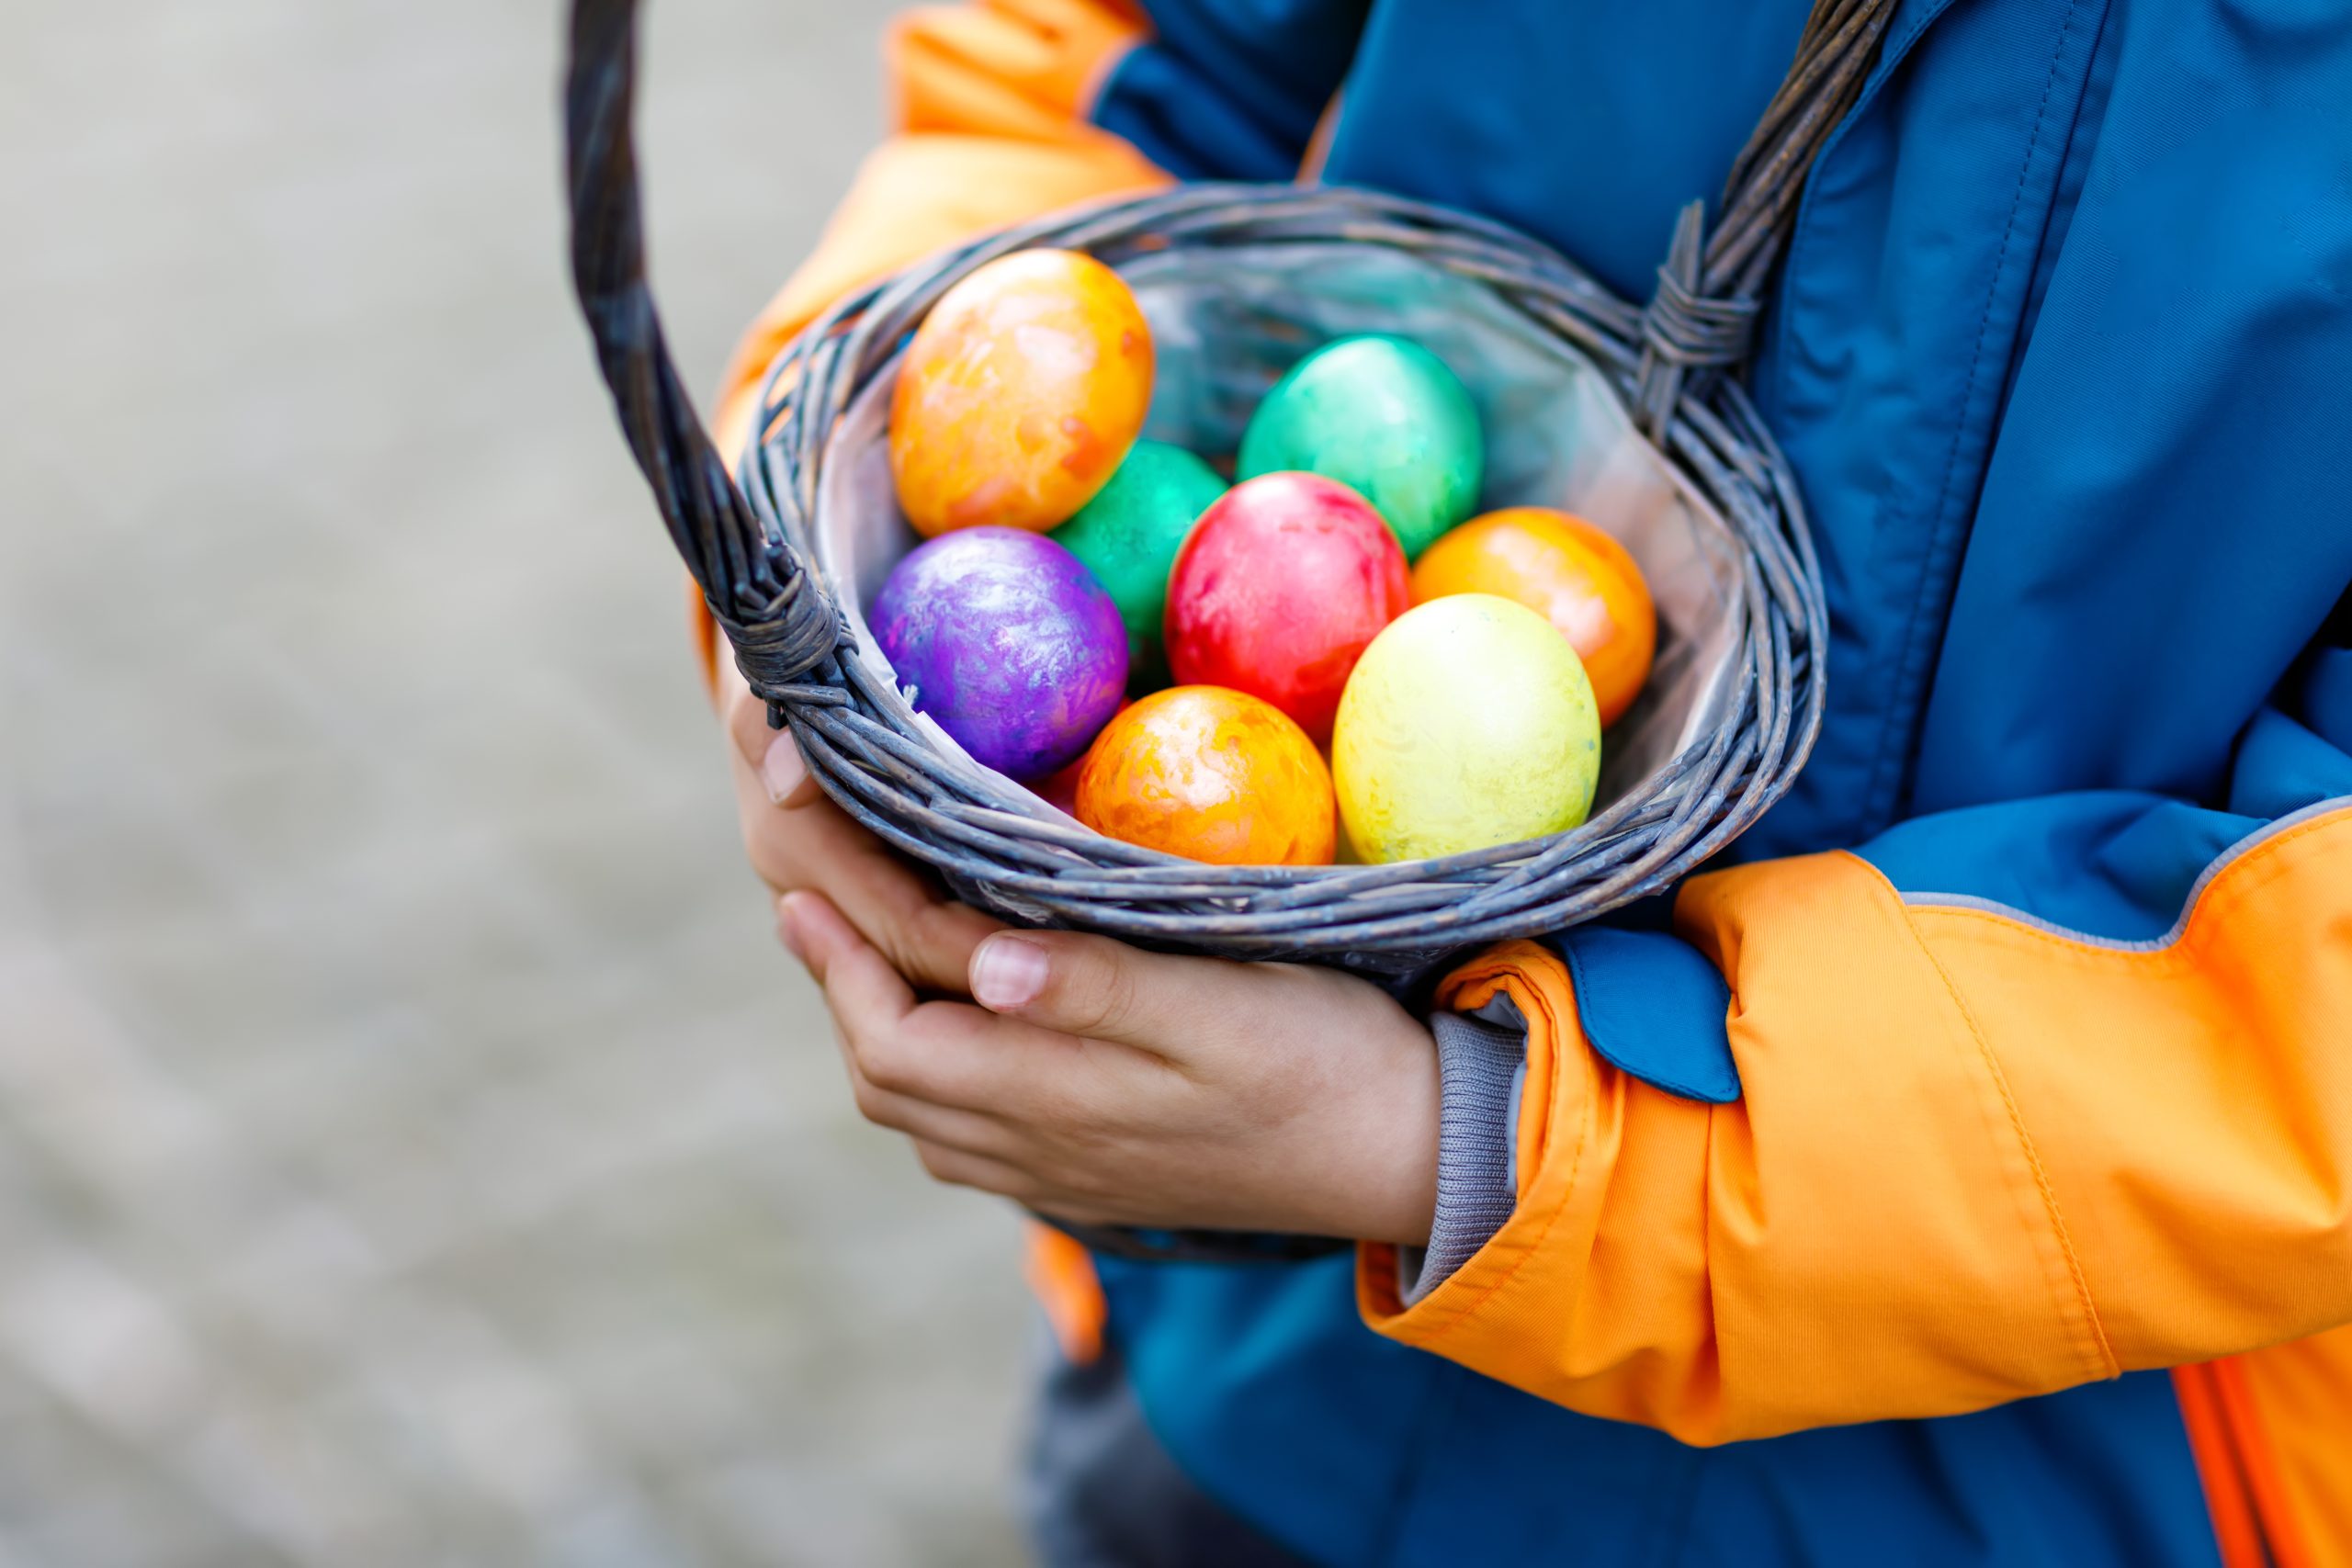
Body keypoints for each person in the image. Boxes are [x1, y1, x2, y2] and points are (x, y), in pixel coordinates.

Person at [696, 1, 2352, 1562]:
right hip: (1262, 1365)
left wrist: (1491, 1140)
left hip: (2059, 1481)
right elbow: (1118, 58)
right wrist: (816, 551)